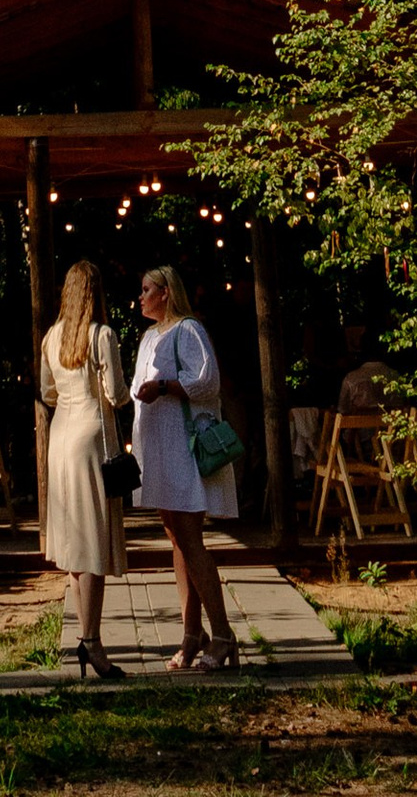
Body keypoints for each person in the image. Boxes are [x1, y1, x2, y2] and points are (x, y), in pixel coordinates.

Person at [132, 263, 238, 673]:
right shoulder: (147, 337)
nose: (140, 297)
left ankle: (224, 633)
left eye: (146, 289)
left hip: (183, 445)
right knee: (175, 537)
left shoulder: (188, 329)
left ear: (165, 292)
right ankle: (191, 632)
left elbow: (205, 381)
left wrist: (163, 387)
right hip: (158, 449)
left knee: (191, 538)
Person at [37, 259, 129, 681]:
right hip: (92, 436)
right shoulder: (102, 335)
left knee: (75, 541)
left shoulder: (51, 338)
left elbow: (47, 393)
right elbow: (116, 394)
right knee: (93, 539)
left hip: (61, 439)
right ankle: (91, 642)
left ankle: (88, 635)